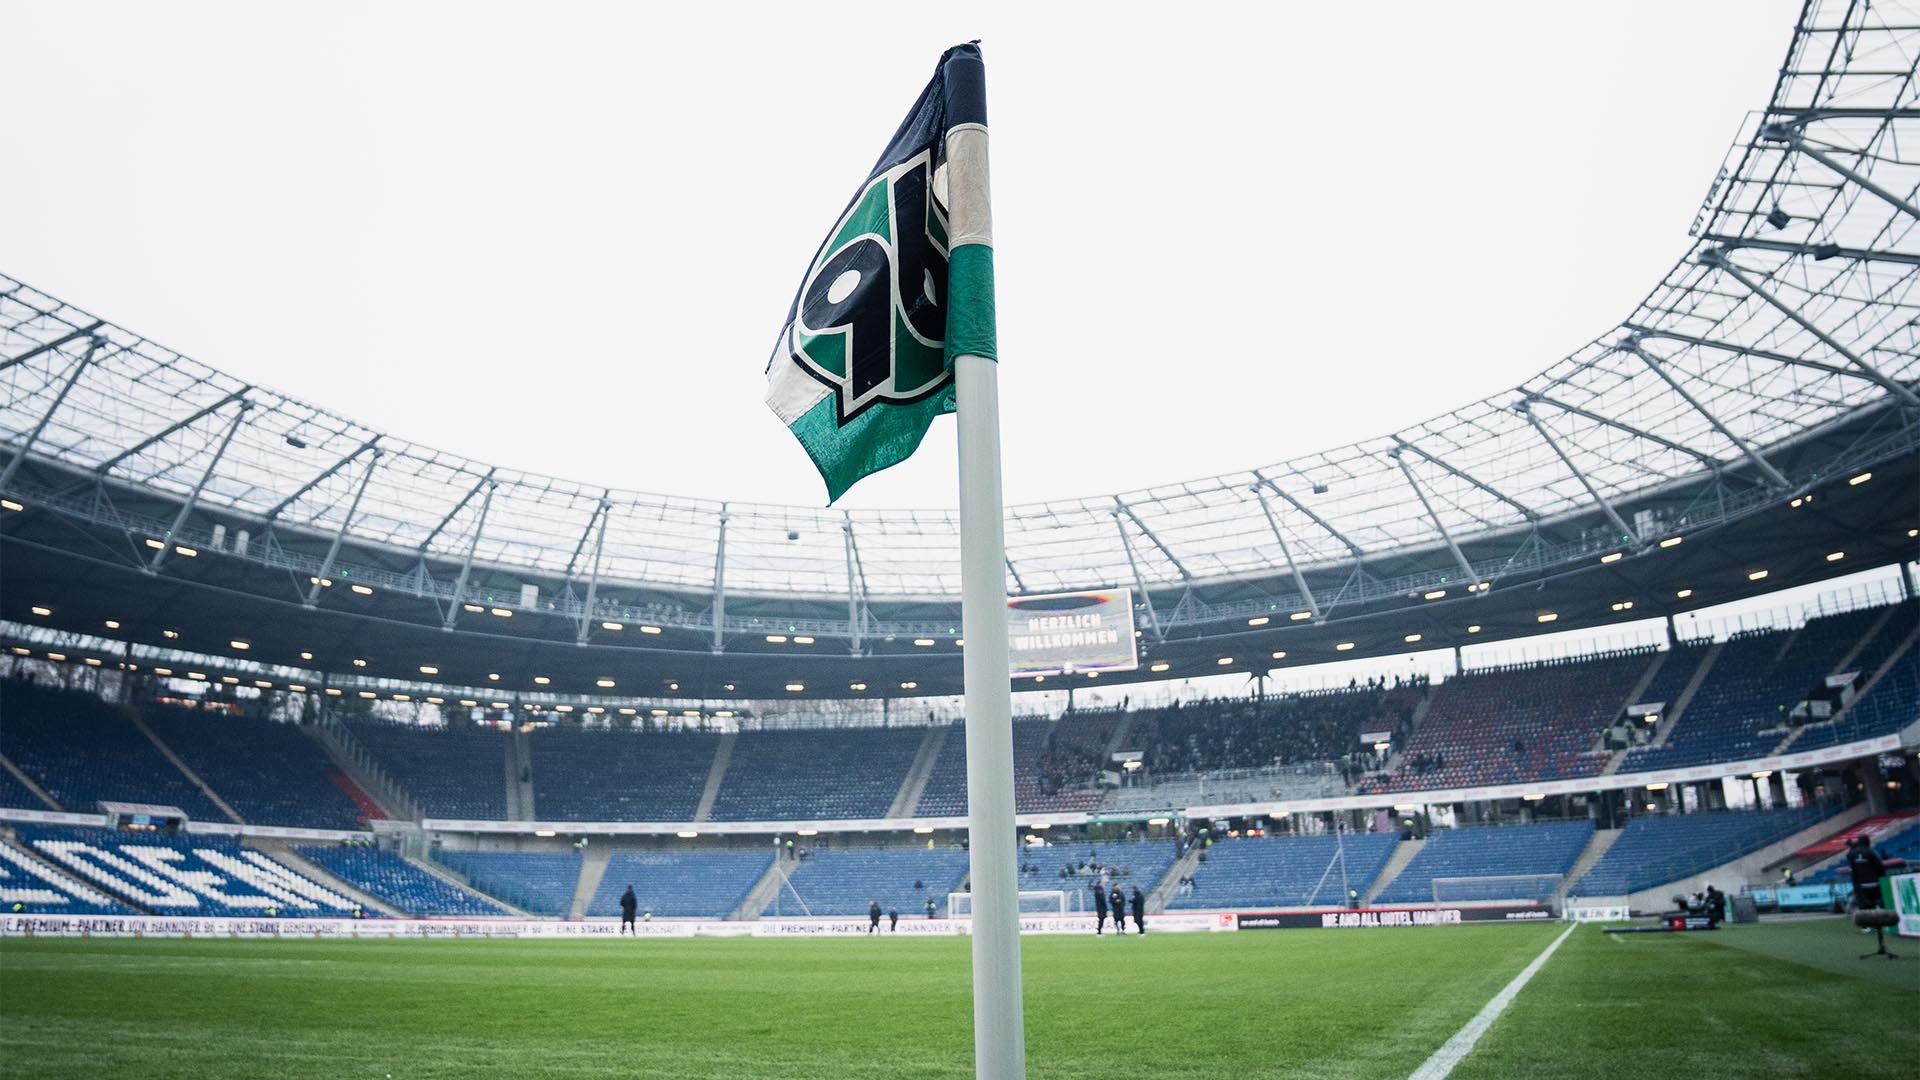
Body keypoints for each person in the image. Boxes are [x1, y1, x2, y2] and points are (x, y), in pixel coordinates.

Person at [1847, 835, 1887, 911]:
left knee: (1865, 906)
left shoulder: (1852, 853)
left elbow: (1852, 867)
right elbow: (1880, 866)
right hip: (1874, 882)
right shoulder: (1871, 852)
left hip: (1860, 884)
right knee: (1879, 902)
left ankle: (1867, 918)